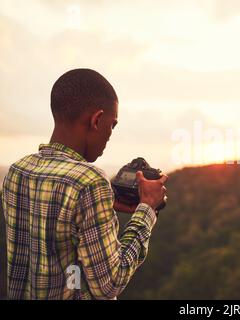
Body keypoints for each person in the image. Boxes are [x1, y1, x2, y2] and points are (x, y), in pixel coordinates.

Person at [1, 68, 168, 299]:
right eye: (112, 125)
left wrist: (102, 207)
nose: (110, 134)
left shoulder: (18, 171)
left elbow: (57, 251)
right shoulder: (89, 182)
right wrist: (147, 209)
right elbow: (110, 283)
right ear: (96, 120)